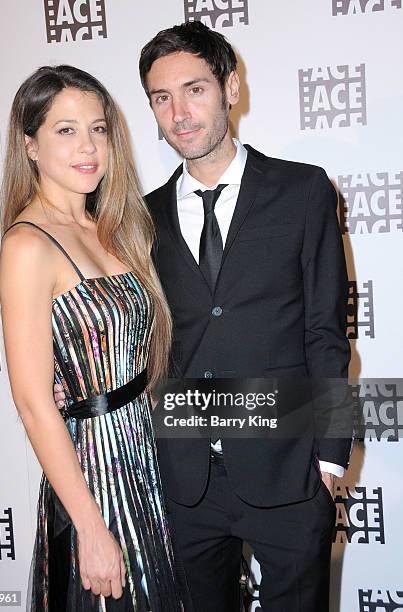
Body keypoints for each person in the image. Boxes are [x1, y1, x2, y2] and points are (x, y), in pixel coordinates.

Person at [54, 23, 352, 612]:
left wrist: (329, 457)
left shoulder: (303, 190)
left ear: (230, 88)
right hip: (184, 482)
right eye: (161, 99)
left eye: (195, 90)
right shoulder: (138, 220)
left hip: (289, 472)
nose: (180, 113)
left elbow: (327, 330)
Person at [0, 65, 184, 612]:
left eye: (98, 129)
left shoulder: (113, 225)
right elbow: (35, 405)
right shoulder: (27, 246)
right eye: (66, 130)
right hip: (94, 476)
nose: (88, 147)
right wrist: (92, 528)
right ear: (29, 144)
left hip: (147, 461)